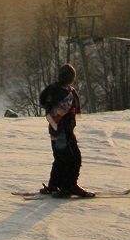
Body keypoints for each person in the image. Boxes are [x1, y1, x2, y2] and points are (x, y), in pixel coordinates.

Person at [39, 63, 93, 197]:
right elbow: (50, 110)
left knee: (61, 158)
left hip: (62, 131)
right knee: (73, 158)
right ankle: (69, 186)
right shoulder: (58, 91)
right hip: (60, 132)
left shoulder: (66, 90)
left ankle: (54, 185)